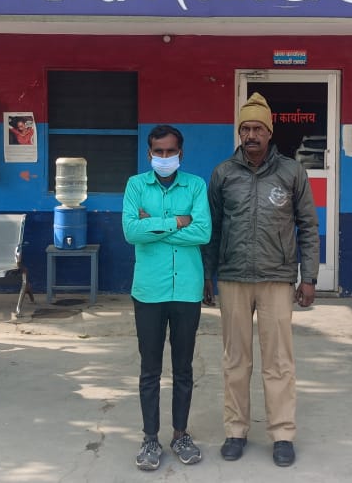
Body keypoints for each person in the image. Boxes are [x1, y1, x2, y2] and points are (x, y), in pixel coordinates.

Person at [202, 92, 319, 468]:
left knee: (279, 361)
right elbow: (212, 228)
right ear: (239, 133)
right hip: (233, 277)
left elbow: (308, 226)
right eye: (245, 129)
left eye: (258, 128)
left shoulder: (291, 172)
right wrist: (207, 274)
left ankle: (282, 434)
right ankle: (235, 430)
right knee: (236, 360)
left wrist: (309, 276)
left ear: (270, 132)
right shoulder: (223, 174)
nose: (251, 135)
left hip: (277, 278)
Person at [121, 124, 211, 471]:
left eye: (170, 151)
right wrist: (178, 222)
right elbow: (131, 231)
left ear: (180, 154)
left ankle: (181, 434)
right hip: (149, 290)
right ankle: (150, 438)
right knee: (150, 369)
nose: (164, 157)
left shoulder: (196, 185)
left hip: (186, 289)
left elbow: (203, 231)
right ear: (149, 154)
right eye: (158, 151)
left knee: (184, 367)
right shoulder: (135, 185)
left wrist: (154, 225)